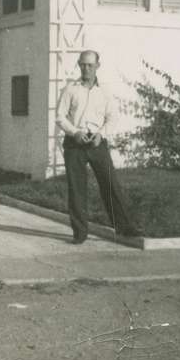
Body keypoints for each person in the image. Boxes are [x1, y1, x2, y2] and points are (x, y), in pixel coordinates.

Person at [56, 49, 142, 244]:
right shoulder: (70, 89)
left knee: (110, 183)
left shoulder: (105, 91)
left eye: (90, 65)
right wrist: (75, 133)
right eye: (83, 65)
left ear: (97, 67)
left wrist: (101, 134)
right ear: (79, 65)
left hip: (97, 142)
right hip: (75, 142)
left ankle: (124, 227)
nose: (86, 69)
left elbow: (112, 117)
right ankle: (80, 232)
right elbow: (60, 117)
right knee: (77, 188)